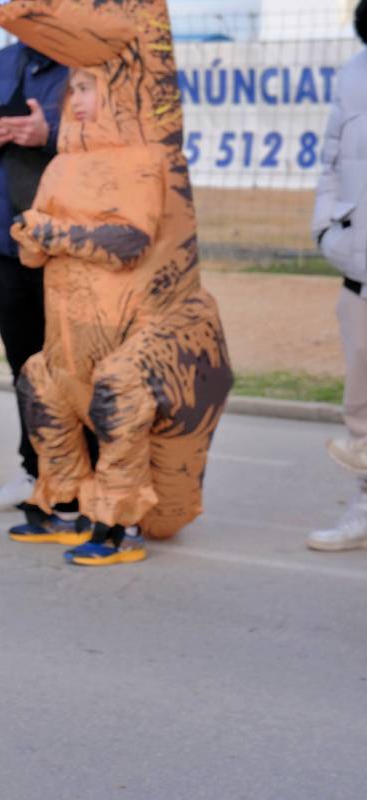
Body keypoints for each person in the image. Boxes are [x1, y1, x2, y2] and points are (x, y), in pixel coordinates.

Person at [0, 0, 233, 566]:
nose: (77, 100)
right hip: (72, 339)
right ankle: (65, 504)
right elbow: (32, 248)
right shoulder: (60, 165)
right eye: (72, 89)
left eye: (88, 90)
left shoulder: (145, 159)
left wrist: (50, 230)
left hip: (137, 337)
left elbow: (128, 242)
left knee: (121, 391)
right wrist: (35, 236)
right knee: (40, 381)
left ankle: (119, 522)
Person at [0, 38, 70, 513]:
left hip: (66, 242)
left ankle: (74, 480)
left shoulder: (86, 54)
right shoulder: (6, 59)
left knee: (70, 369)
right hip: (11, 240)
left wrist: (50, 133)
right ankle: (34, 472)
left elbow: (115, 137)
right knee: (22, 366)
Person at [308, 0, 367, 552]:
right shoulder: (355, 72)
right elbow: (330, 163)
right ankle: (365, 507)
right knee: (362, 405)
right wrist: (330, 233)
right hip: (360, 270)